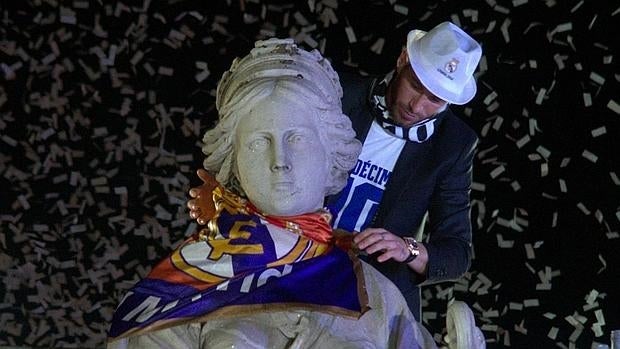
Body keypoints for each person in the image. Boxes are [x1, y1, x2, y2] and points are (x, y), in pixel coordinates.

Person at [107, 38, 441, 349]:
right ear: (234, 161)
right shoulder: (179, 289)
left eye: (297, 139)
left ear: (332, 154)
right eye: (257, 143)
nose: (279, 162)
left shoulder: (380, 298)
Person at [326, 21, 482, 321]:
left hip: (375, 290)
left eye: (434, 100)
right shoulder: (339, 94)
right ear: (402, 60)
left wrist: (407, 250)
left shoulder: (454, 145)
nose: (417, 106)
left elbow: (457, 253)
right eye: (415, 85)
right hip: (297, 256)